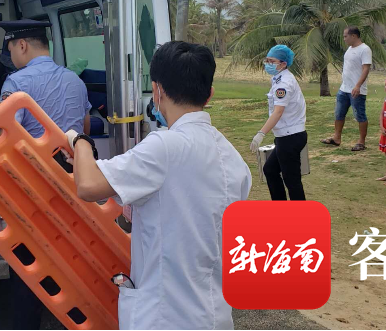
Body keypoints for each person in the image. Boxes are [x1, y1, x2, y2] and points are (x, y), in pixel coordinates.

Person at [67, 41, 251, 330]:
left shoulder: (164, 146)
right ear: (210, 94)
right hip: (214, 314)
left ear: (157, 91)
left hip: (167, 316)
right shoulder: (232, 158)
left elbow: (88, 185)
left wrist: (79, 142)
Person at [0, 19, 91, 329]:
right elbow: (85, 130)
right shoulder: (75, 81)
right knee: (71, 259)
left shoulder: (15, 84)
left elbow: (5, 140)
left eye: (11, 48)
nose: (11, 56)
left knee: (29, 266)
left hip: (31, 188)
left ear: (22, 45)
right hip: (73, 182)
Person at [250, 45, 307, 201]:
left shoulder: (283, 83)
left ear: (283, 64)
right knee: (270, 170)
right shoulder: (279, 79)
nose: (268, 64)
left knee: (292, 180)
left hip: (290, 136)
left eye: (272, 61)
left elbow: (278, 112)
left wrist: (261, 133)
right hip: (287, 135)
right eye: (267, 60)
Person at [322, 27, 372, 151]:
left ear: (353, 36)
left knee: (359, 115)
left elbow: (366, 69)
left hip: (356, 90)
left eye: (346, 36)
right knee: (339, 113)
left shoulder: (365, 49)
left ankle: (361, 142)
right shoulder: (350, 49)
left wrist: (358, 85)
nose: (344, 39)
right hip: (344, 89)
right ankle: (336, 138)